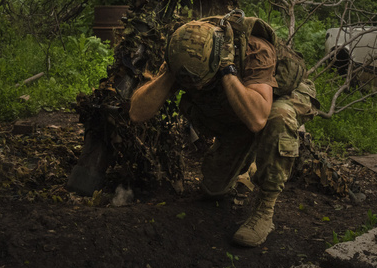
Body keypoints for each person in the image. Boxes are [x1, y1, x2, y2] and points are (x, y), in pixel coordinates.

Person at [128, 16, 317, 247]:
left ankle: (265, 207)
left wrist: (228, 70)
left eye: (201, 83)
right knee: (213, 190)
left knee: (278, 117)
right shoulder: (187, 50)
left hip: (280, 95)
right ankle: (248, 155)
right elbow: (137, 113)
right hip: (242, 103)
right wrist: (169, 75)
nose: (196, 88)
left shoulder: (255, 50)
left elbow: (258, 118)